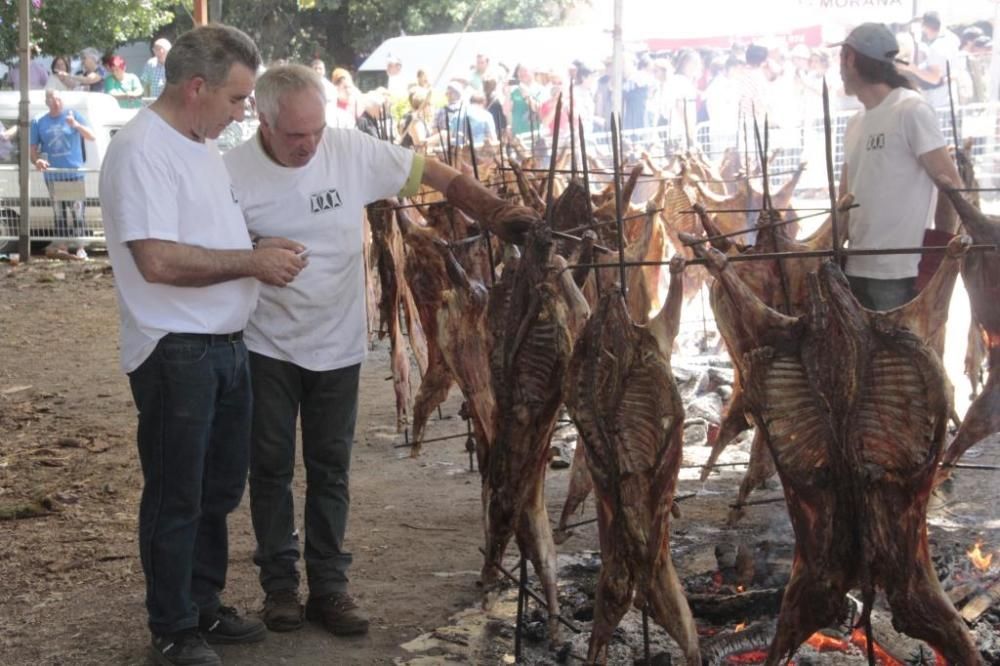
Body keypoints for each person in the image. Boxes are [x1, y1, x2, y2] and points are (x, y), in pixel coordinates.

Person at [221, 63, 537, 638]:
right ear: (263, 122)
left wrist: (494, 212)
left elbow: (436, 175)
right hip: (264, 343)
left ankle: (330, 588)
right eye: (294, 135)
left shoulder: (350, 151)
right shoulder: (231, 173)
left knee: (331, 469)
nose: (308, 145)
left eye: (315, 131)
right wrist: (251, 246)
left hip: (338, 343)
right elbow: (206, 242)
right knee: (268, 469)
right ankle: (280, 588)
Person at [99, 25, 307, 666]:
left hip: (223, 342)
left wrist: (257, 248)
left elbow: (204, 233)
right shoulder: (142, 149)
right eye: (238, 98)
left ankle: (204, 605)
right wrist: (250, 263)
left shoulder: (196, 144)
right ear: (197, 88)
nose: (244, 112)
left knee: (218, 490)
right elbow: (156, 260)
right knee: (177, 493)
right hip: (175, 348)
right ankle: (173, 626)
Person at [836, 22, 962, 311]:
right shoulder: (855, 124)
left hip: (899, 272)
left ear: (850, 59)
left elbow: (950, 185)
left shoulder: (910, 110)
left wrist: (938, 253)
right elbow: (845, 200)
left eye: (841, 60)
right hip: (855, 267)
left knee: (898, 357)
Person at [30, 89, 95, 256]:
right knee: (59, 213)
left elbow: (91, 136)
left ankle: (80, 248)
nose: (56, 103)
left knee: (77, 212)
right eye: (52, 100)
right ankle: (62, 247)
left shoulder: (73, 115)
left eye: (59, 99)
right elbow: (32, 149)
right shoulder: (39, 121)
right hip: (53, 176)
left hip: (73, 174)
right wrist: (37, 160)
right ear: (47, 102)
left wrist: (76, 125)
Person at [902, 11, 960, 109]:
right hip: (950, 101)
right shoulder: (952, 41)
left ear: (925, 27)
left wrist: (913, 69)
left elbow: (934, 79)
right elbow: (955, 73)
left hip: (938, 102)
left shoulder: (936, 48)